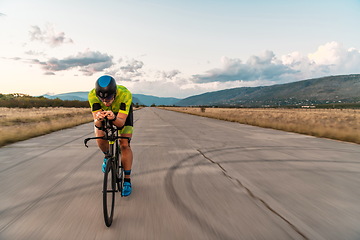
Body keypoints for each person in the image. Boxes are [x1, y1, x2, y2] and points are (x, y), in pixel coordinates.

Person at [88, 75, 134, 196]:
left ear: (114, 93)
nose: (105, 102)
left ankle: (127, 180)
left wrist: (113, 118)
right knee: (99, 136)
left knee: (124, 144)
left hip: (121, 115)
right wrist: (98, 119)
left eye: (108, 98)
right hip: (104, 114)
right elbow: (97, 124)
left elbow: (120, 124)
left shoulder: (125, 94)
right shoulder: (92, 95)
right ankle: (107, 155)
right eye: (102, 99)